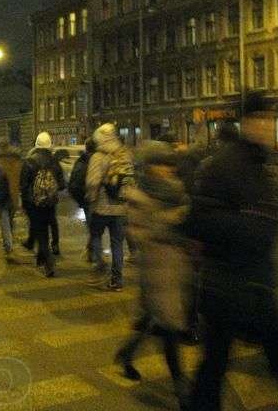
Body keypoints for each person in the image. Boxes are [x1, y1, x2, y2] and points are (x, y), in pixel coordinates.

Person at [183, 94, 278, 410]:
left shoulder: (267, 165)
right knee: (215, 361)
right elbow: (197, 221)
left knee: (262, 350)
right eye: (259, 119)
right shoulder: (221, 166)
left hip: (256, 279)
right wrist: (251, 224)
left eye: (270, 120)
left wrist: (276, 213)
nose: (266, 126)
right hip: (225, 283)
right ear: (245, 123)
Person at [115, 140, 198, 408]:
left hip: (179, 266)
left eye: (169, 164)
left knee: (154, 318)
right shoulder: (138, 196)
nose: (167, 170)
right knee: (170, 327)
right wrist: (172, 221)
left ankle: (126, 353)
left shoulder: (178, 191)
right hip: (157, 268)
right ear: (148, 168)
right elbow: (138, 234)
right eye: (160, 164)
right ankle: (180, 385)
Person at [85, 123, 135, 291]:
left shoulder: (98, 156)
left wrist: (91, 198)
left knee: (96, 235)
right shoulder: (125, 154)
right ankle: (117, 280)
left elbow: (92, 182)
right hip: (122, 207)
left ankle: (100, 264)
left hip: (102, 207)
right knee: (117, 244)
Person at [20, 132, 65, 277]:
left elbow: (23, 185)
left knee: (42, 234)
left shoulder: (29, 161)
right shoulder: (54, 161)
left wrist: (26, 203)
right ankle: (41, 257)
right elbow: (63, 184)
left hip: (34, 204)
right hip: (50, 203)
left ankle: (49, 263)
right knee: (45, 229)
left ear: (37, 145)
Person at [0, 139, 23, 258]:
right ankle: (9, 239)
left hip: (0, 194)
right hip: (13, 193)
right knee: (10, 219)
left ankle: (8, 244)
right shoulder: (15, 157)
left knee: (4, 220)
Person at [68, 137, 97, 261]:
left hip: (86, 200)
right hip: (95, 199)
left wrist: (81, 201)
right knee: (96, 228)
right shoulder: (97, 161)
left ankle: (91, 253)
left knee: (93, 228)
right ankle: (93, 255)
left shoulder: (81, 160)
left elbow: (73, 184)